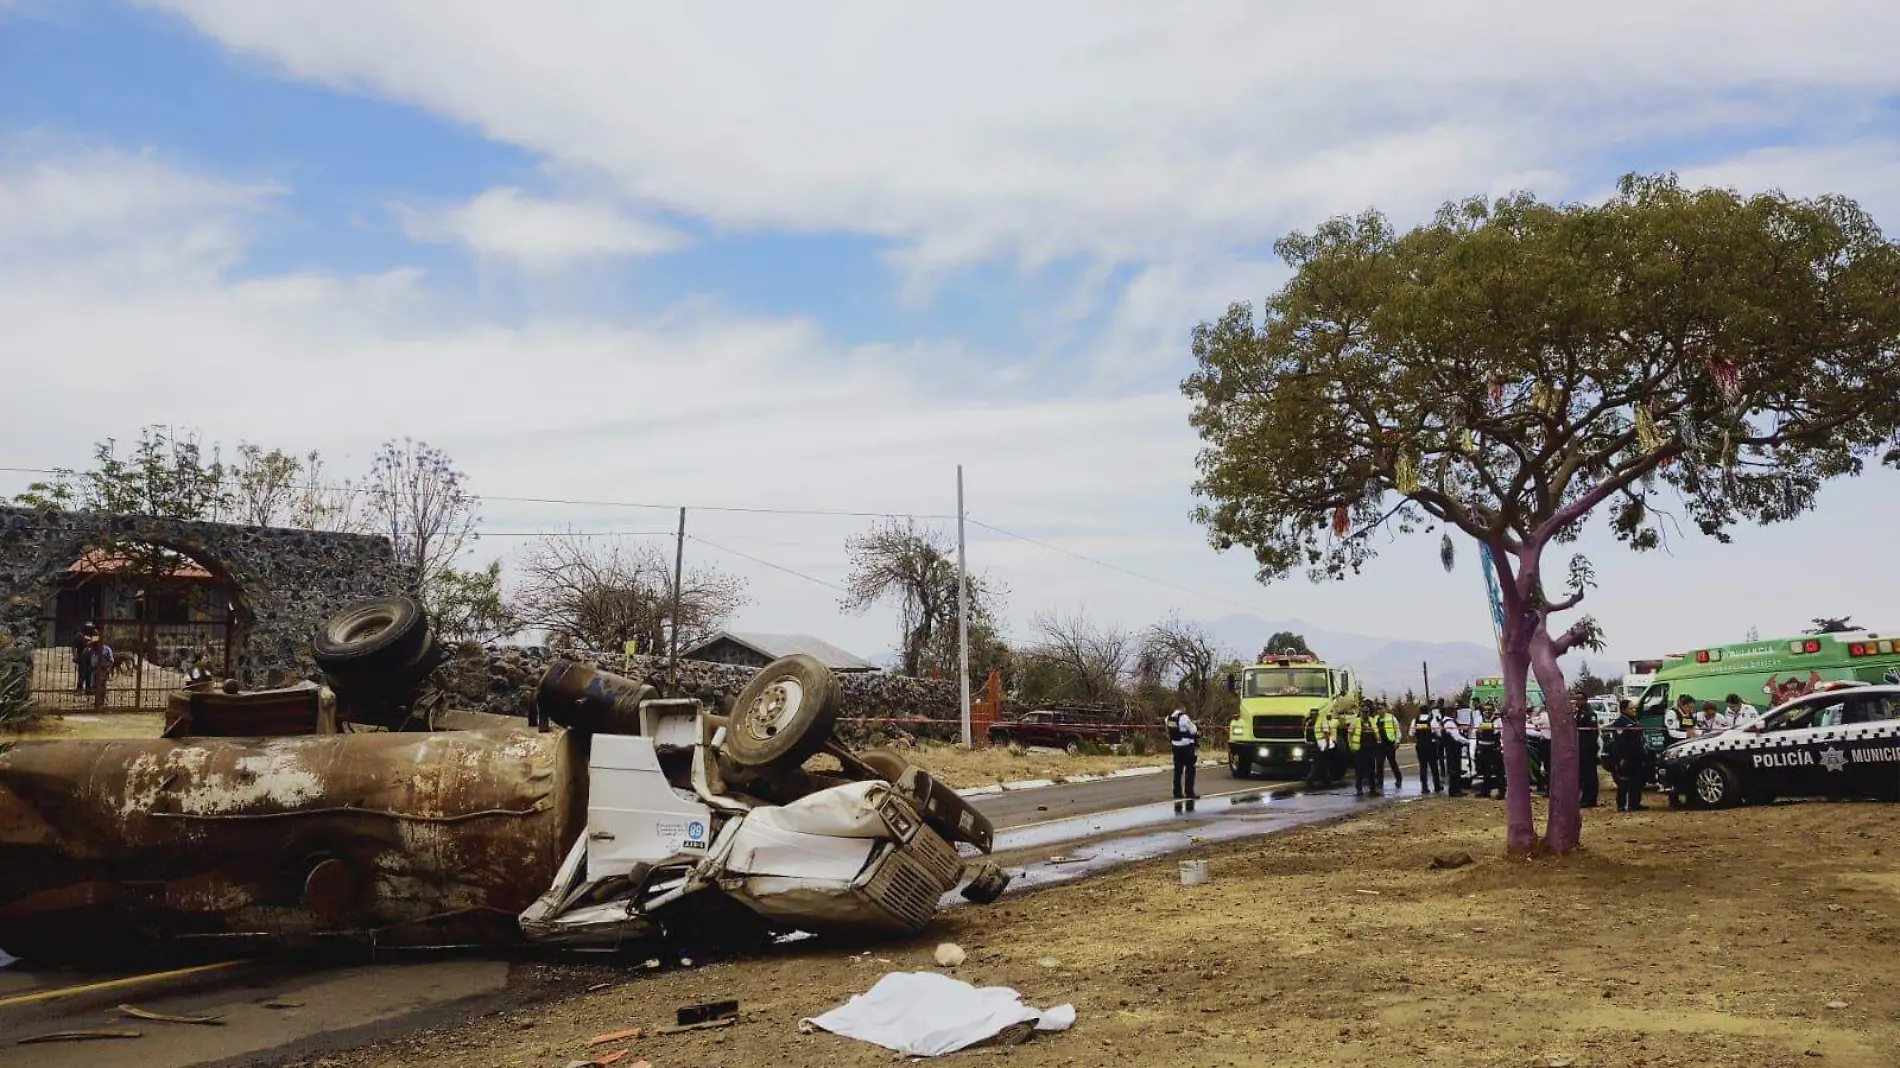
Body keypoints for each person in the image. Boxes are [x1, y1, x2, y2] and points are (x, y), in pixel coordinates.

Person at [1610, 701, 1646, 811]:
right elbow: (1621, 741)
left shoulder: (1634, 720)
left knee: (1637, 780)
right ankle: (1621, 805)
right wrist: (1623, 758)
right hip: (1625, 756)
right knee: (1624, 781)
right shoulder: (1620, 723)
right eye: (1631, 708)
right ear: (1624, 710)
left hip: (1637, 755)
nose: (1633, 710)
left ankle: (1634, 803)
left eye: (1634, 708)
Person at [1348, 706, 1381, 797]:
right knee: (1359, 770)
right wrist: (1350, 744)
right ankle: (1359, 789)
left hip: (1371, 748)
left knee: (1371, 770)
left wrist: (1378, 741)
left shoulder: (1372, 721)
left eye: (1367, 712)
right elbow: (1350, 733)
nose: (1365, 714)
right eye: (1364, 712)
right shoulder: (1356, 721)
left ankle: (1372, 789)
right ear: (1361, 713)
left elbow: (1376, 732)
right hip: (1360, 748)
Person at [1167, 707, 1199, 800]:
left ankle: (1177, 792)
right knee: (1190, 770)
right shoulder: (1184, 717)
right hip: (1186, 747)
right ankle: (1189, 792)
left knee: (1178, 771)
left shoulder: (1169, 718)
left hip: (1175, 746)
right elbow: (1193, 730)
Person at [1474, 707, 1504, 799]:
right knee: (1485, 770)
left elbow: (1500, 732)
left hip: (1494, 748)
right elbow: (1476, 731)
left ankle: (1501, 792)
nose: (1487, 712)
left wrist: (1502, 746)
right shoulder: (1479, 719)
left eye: (1489, 710)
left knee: (1499, 771)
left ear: (1493, 711)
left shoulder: (1498, 720)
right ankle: (1485, 791)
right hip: (1483, 747)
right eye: (1485, 710)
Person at [1414, 700, 1442, 794]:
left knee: (1423, 767)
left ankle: (1424, 787)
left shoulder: (1415, 720)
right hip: (1431, 745)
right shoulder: (1432, 720)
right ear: (1428, 711)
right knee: (1434, 766)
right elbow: (1438, 732)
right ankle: (1437, 786)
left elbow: (1411, 733)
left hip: (1420, 745)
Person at [83, 630, 116, 711]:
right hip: (94, 669)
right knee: (94, 685)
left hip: (102, 669)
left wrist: (109, 668)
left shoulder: (106, 649)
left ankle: (101, 702)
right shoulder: (91, 649)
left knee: (101, 685)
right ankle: (97, 701)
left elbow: (111, 660)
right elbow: (85, 655)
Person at [1576, 704, 1601, 807]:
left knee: (1590, 775)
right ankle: (1585, 797)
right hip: (1580, 748)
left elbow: (1593, 732)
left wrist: (1589, 748)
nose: (1577, 702)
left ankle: (1590, 798)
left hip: (1588, 749)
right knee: (1583, 775)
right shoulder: (1578, 713)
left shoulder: (1590, 714)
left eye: (1579, 699)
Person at [1305, 708, 1336, 788]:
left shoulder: (1322, 722)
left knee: (1317, 763)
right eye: (1312, 715)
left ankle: (1310, 779)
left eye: (1314, 714)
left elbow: (1327, 734)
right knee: (1321, 764)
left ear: (1317, 715)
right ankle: (1327, 780)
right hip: (1312, 745)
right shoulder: (1308, 723)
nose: (1313, 716)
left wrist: (1327, 745)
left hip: (1322, 745)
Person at [1376, 704, 1403, 791]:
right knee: (1379, 764)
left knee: (1392, 762)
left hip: (1389, 744)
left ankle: (1398, 778)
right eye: (1378, 709)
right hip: (1380, 745)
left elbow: (1397, 729)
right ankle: (1379, 782)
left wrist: (1397, 741)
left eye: (1381, 709)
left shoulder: (1391, 718)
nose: (1379, 710)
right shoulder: (1376, 719)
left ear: (1385, 709)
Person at [1526, 704, 1552, 794]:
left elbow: (1533, 722)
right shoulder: (1551, 715)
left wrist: (1534, 715)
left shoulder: (1544, 715)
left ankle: (1548, 789)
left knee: (1547, 766)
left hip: (1546, 742)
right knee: (1547, 766)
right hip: (1548, 742)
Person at [71, 622, 97, 694]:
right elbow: (74, 647)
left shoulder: (94, 634)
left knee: (90, 673)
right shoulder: (79, 635)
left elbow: (97, 643)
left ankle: (88, 689)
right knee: (82, 673)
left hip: (91, 658)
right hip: (81, 657)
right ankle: (79, 688)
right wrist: (75, 656)